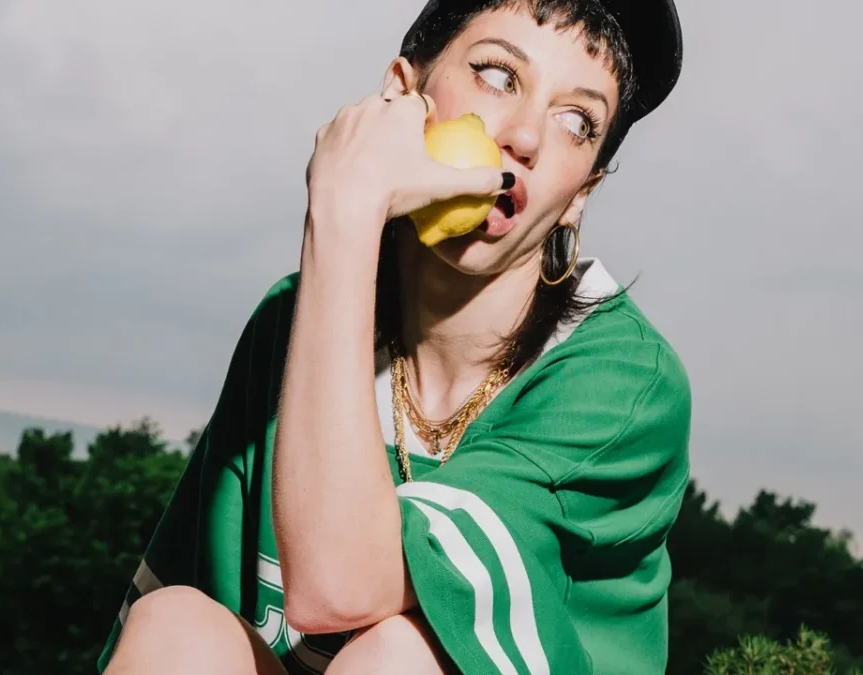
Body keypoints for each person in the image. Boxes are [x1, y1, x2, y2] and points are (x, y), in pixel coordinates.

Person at [98, 0, 690, 672]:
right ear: (403, 97)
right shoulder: (296, 320)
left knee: (402, 655)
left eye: (577, 121)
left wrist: (345, 211)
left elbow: (339, 584)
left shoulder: (624, 384)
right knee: (178, 626)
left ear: (581, 191)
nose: (526, 136)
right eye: (499, 76)